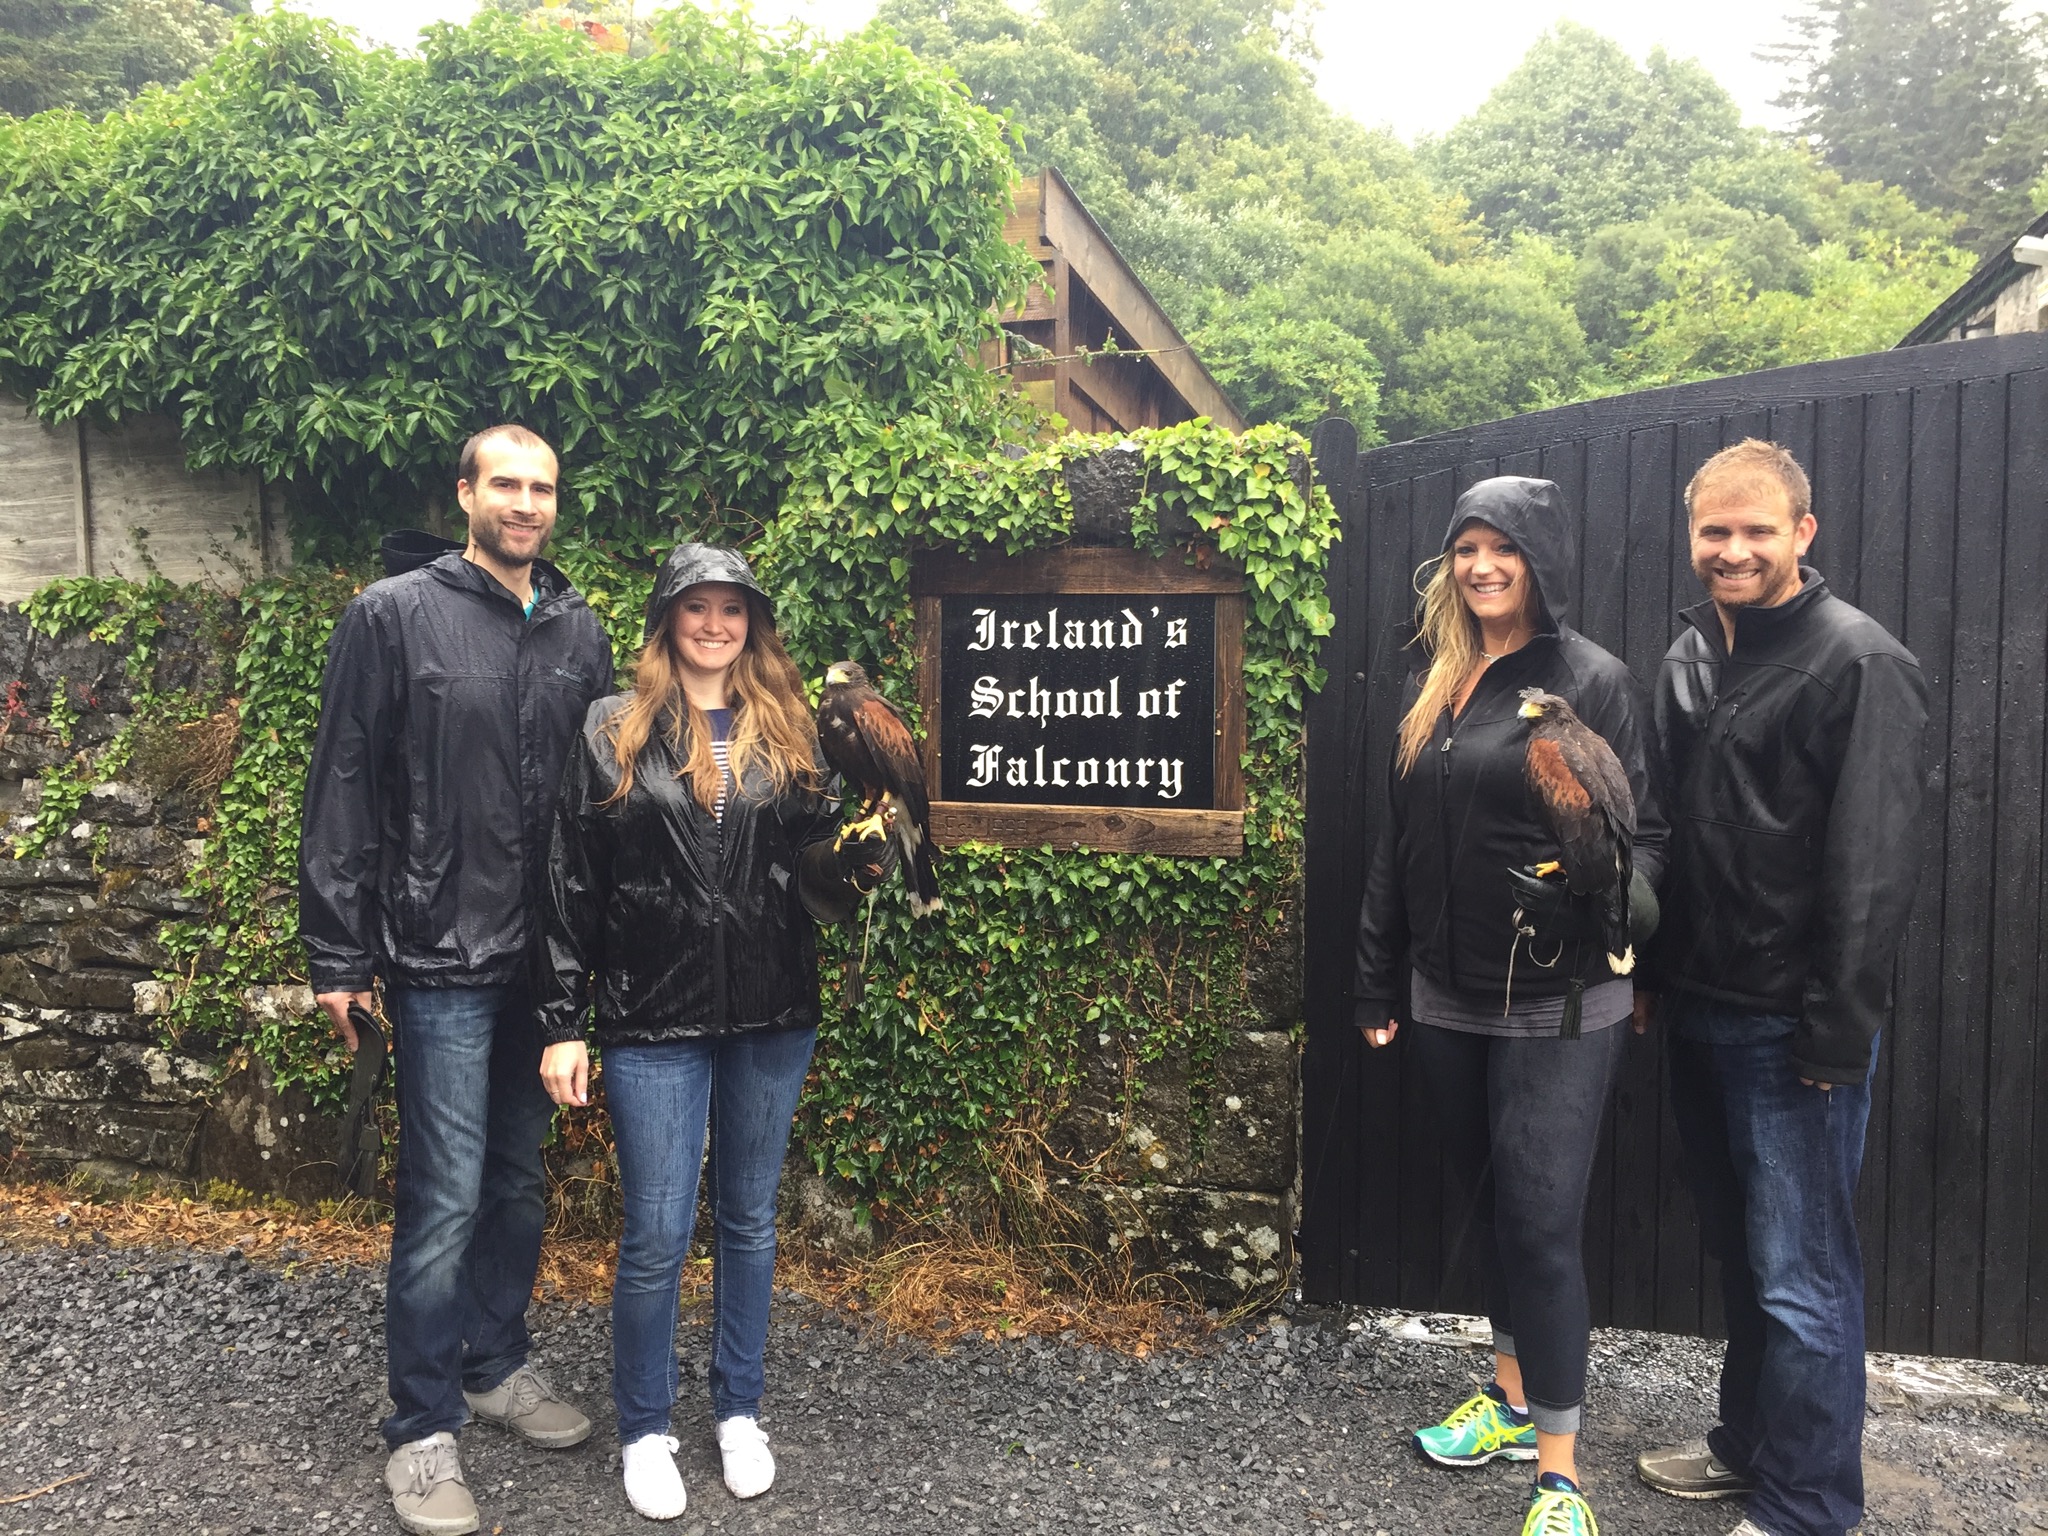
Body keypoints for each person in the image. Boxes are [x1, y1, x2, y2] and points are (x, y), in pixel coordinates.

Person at [300, 424, 614, 1536]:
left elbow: (602, 799)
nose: (525, 504)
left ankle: (493, 1362)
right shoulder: (391, 616)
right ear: (466, 494)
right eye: (507, 485)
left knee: (518, 1182)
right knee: (441, 1196)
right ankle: (422, 1426)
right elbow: (342, 776)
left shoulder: (579, 627)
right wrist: (337, 950)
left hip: (543, 963)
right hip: (436, 952)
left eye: (543, 489)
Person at [537, 544, 891, 1522]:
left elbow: (811, 857)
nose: (713, 624)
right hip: (651, 1013)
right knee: (655, 1232)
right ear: (666, 620)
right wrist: (562, 1021)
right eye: (695, 607)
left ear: (751, 624)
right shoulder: (611, 725)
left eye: (730, 609)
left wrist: (855, 856)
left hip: (773, 1009)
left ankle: (737, 1411)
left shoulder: (790, 729)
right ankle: (645, 1430)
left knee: (747, 1219)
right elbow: (570, 881)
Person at [1353, 476, 1667, 1536]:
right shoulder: (1438, 679)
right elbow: (1396, 844)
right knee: (1488, 1211)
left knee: (1538, 1227)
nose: (1481, 567)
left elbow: (1646, 836)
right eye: (1465, 548)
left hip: (1556, 1000)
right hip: (1443, 993)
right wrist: (1374, 974)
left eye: (1503, 548)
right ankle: (1507, 1397)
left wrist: (1609, 911)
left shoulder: (1590, 681)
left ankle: (1560, 1477)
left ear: (1541, 559)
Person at [1634, 440, 1927, 1536]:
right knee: (1749, 1260)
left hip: (1789, 1025)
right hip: (1700, 1005)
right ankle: (1748, 1448)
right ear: (1691, 534)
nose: (1733, 549)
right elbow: (1668, 833)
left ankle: (1808, 1505)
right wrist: (1655, 975)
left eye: (1756, 530)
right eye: (1714, 531)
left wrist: (1834, 1031)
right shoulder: (1690, 653)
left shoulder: (1859, 661)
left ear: (1802, 533)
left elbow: (1872, 869)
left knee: (1803, 1280)